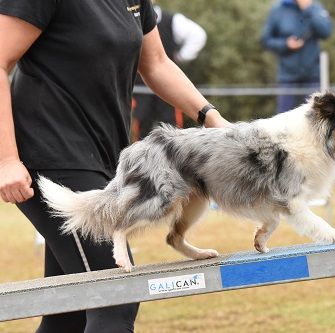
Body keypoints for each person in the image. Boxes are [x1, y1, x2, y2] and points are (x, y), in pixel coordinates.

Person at [0, 0, 229, 332]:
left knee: (70, 314)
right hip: (50, 156)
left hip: (104, 160)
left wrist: (211, 117)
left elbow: (157, 64)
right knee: (116, 299)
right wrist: (7, 159)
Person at [133, 2, 207, 139]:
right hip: (140, 85)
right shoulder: (132, 16)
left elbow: (198, 35)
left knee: (172, 126)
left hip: (167, 83)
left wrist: (179, 57)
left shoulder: (172, 20)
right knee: (141, 122)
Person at [261, 0, 333, 113]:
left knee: (314, 118)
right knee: (283, 121)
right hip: (287, 78)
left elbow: (326, 31)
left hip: (312, 77)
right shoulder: (278, 9)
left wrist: (308, 8)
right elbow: (266, 40)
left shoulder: (314, 7)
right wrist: (285, 44)